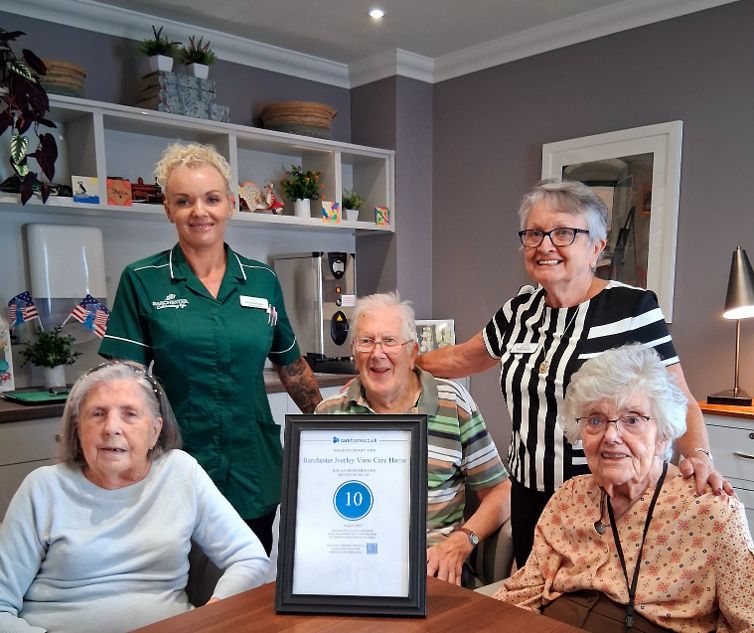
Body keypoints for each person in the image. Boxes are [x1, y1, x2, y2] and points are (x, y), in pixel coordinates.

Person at [417, 179, 729, 567]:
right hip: (530, 496)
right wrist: (399, 360)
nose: (545, 245)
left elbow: (678, 398)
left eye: (563, 233)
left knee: (601, 598)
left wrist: (699, 456)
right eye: (534, 233)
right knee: (539, 595)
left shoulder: (632, 309)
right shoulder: (519, 311)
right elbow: (463, 358)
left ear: (596, 247)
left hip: (609, 498)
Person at [99, 143, 322, 553]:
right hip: (175, 463)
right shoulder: (142, 280)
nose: (199, 211)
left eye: (212, 199)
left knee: (250, 575)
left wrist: (337, 431)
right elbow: (122, 387)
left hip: (253, 467)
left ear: (231, 204)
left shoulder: (261, 280)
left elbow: (292, 368)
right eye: (184, 201)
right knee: (178, 581)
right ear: (168, 209)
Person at [494, 345, 754, 633]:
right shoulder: (569, 497)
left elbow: (747, 621)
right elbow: (524, 592)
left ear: (663, 434)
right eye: (595, 420)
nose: (611, 436)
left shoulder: (710, 510)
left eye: (632, 420)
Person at [0, 360, 269, 633]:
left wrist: (211, 616)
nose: (111, 428)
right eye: (97, 414)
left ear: (155, 431)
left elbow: (249, 557)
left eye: (129, 414)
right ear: (78, 429)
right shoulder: (43, 487)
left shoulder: (180, 472)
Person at [316, 292, 511, 586]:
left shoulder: (452, 402)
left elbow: (500, 491)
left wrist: (462, 541)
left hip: (433, 572)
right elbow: (313, 509)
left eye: (389, 341)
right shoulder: (330, 413)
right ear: (354, 353)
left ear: (412, 352)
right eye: (366, 341)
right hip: (353, 570)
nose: (377, 353)